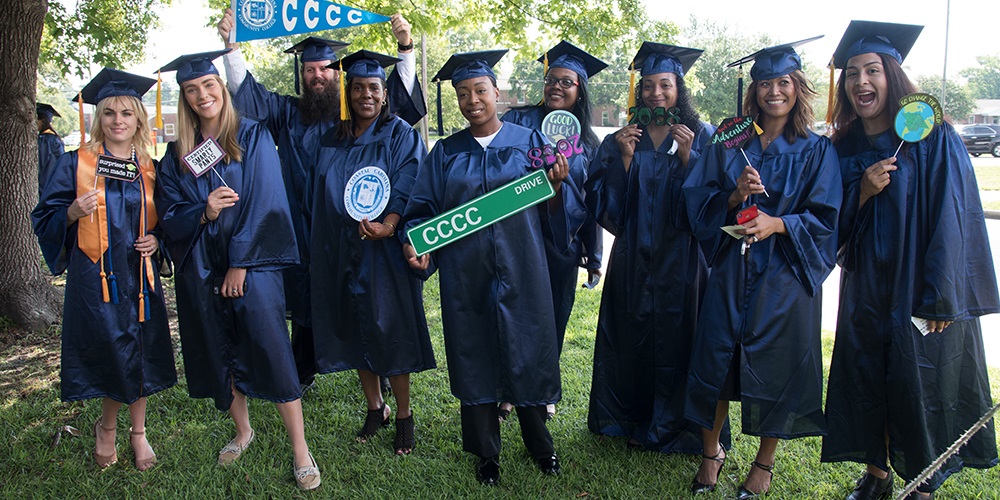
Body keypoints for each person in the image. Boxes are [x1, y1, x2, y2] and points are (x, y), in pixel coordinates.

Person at [821, 21, 999, 500]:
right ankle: (877, 475)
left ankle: (921, 481)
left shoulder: (933, 137)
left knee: (920, 383)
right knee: (869, 377)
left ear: (892, 76)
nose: (861, 82)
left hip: (919, 289)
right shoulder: (842, 147)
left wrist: (941, 298)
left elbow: (955, 217)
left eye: (872, 70)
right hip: (865, 291)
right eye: (853, 73)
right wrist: (861, 192)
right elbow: (828, 223)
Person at [216, 9, 426, 392]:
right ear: (302, 74)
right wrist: (231, 48)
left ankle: (369, 365)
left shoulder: (356, 119)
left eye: (325, 69)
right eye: (310, 69)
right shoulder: (289, 113)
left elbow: (393, 99)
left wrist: (406, 48)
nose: (318, 75)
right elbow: (252, 98)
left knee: (368, 297)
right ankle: (307, 367)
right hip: (303, 222)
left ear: (337, 76)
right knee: (308, 294)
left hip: (360, 224)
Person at [400, 50, 569, 485]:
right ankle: (486, 453)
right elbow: (422, 209)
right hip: (466, 274)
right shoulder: (445, 153)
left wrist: (556, 186)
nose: (471, 100)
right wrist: (414, 242)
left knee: (528, 351)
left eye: (479, 90)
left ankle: (539, 444)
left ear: (497, 92)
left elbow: (553, 210)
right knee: (474, 355)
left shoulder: (529, 141)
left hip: (523, 266)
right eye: (462, 93)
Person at [153, 50, 320, 490]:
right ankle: (242, 430)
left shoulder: (253, 134)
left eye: (208, 86)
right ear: (185, 98)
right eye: (192, 90)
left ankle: (301, 449)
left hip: (254, 266)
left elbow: (267, 199)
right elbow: (169, 211)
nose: (202, 95)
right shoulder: (178, 153)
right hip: (202, 267)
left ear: (221, 89)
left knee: (272, 349)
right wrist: (203, 213)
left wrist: (242, 262)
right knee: (219, 347)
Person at [682, 38, 841, 498]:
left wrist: (778, 223)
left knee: (777, 367)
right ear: (754, 90)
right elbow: (697, 200)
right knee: (714, 360)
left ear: (798, 88)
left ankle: (763, 464)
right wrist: (734, 195)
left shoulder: (816, 150)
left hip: (785, 277)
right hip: (731, 271)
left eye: (784, 82)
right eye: (766, 82)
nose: (775, 91)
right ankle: (711, 454)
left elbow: (827, 218)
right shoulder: (731, 143)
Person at [31, 69, 176, 471]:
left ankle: (139, 433)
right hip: (96, 277)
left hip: (140, 277)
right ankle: (107, 428)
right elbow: (43, 217)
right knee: (113, 349)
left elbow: (167, 222)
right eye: (109, 112)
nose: (117, 120)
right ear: (98, 119)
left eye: (126, 113)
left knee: (142, 350)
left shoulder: (150, 167)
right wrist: (71, 212)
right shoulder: (73, 164)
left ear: (138, 120)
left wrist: (158, 241)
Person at [585, 42, 718, 454]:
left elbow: (713, 202)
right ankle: (629, 419)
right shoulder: (624, 138)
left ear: (679, 87)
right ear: (639, 91)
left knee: (683, 340)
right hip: (632, 258)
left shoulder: (702, 135)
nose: (656, 93)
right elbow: (604, 206)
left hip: (683, 261)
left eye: (665, 84)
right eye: (648, 86)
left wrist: (688, 158)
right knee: (630, 336)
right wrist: (624, 160)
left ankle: (681, 428)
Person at [308, 50, 435, 455]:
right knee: (356, 328)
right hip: (344, 248)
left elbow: (409, 181)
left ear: (384, 95)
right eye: (358, 87)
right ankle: (374, 407)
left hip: (385, 251)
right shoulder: (333, 136)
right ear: (348, 92)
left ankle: (403, 414)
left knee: (390, 330)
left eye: (374, 88)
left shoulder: (400, 134)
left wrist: (391, 225)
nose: (366, 94)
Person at [499, 40, 603, 420]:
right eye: (551, 80)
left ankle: (542, 391)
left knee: (554, 316)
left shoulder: (589, 143)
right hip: (517, 236)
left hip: (563, 242)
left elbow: (592, 203)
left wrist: (594, 256)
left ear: (580, 91)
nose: (556, 87)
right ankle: (510, 390)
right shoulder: (518, 122)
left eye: (566, 82)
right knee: (515, 312)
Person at [36, 102, 65, 197]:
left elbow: (40, 164)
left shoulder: (44, 140)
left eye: (36, 119)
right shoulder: (56, 138)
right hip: (56, 184)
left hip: (44, 184)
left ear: (42, 120)